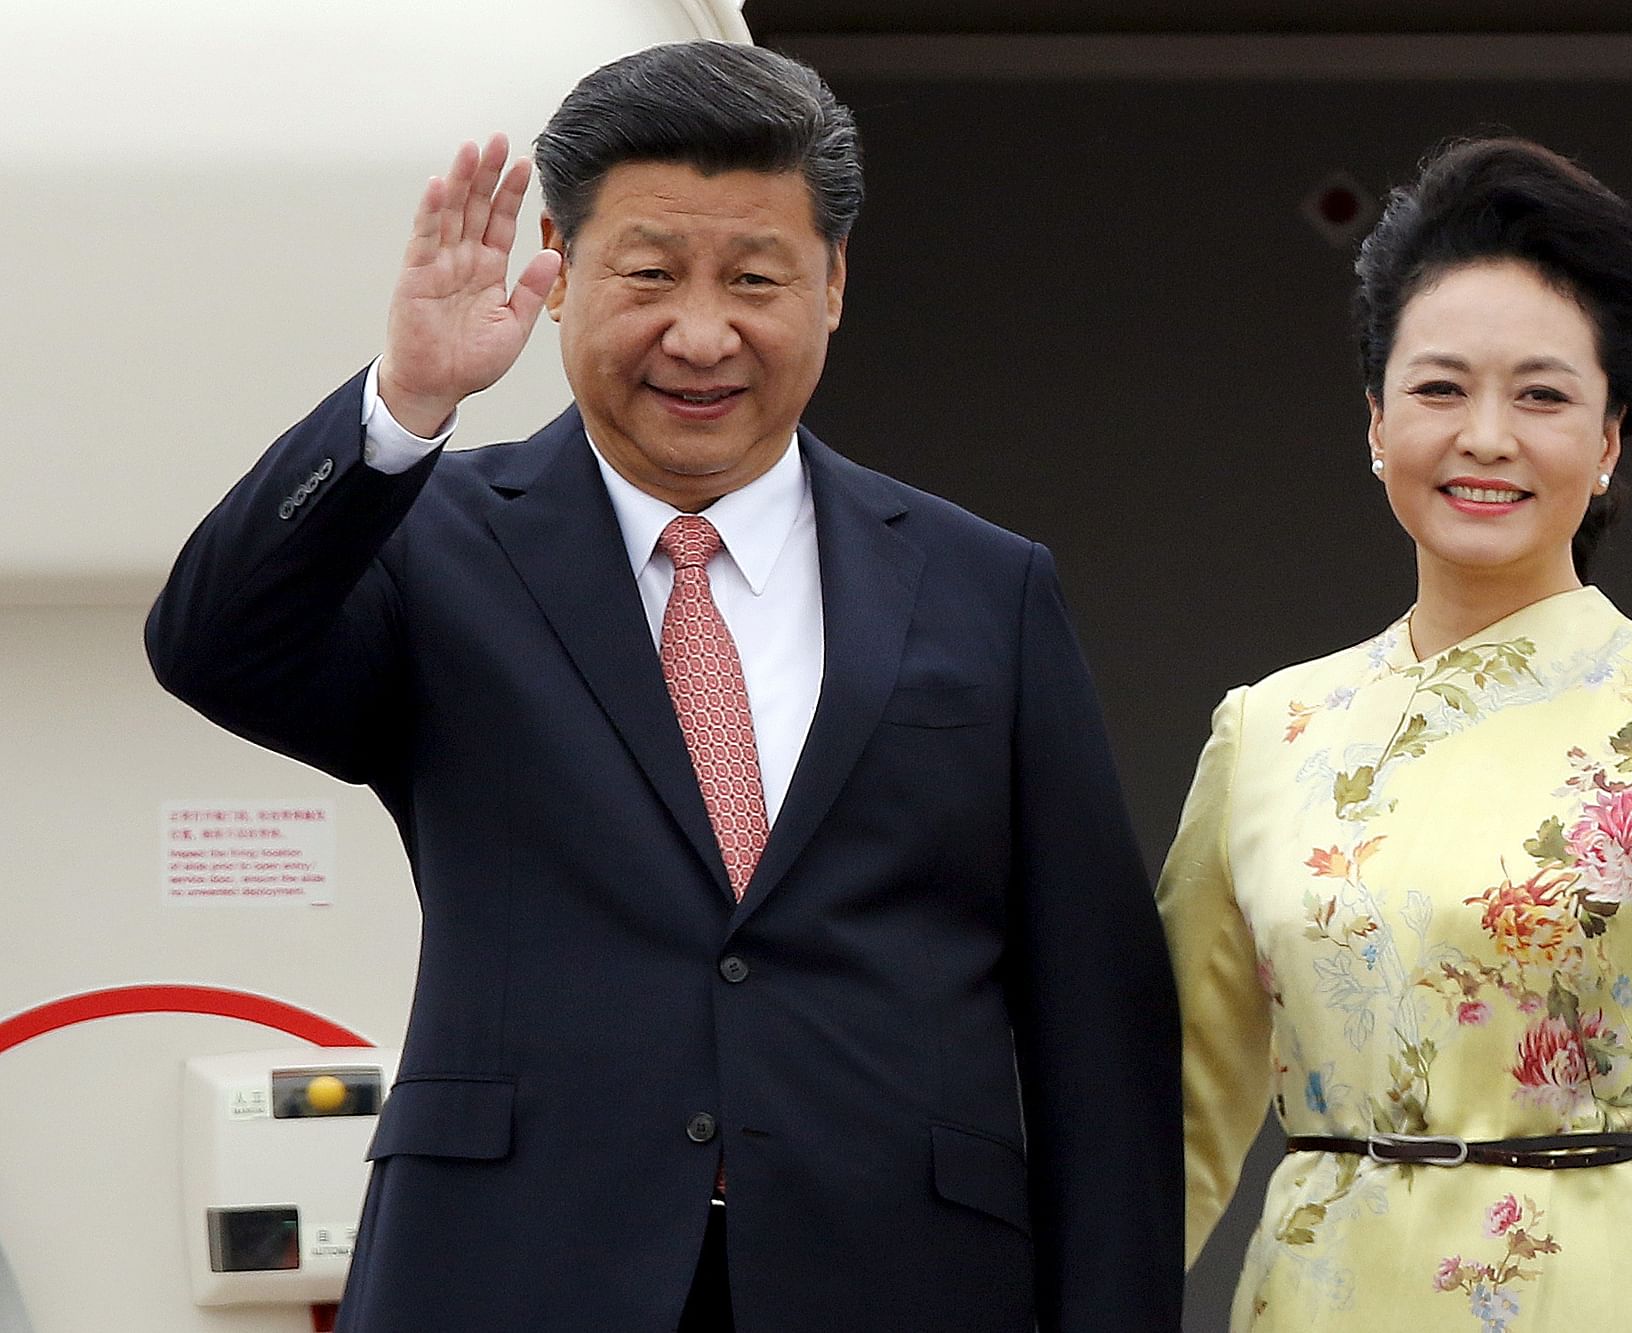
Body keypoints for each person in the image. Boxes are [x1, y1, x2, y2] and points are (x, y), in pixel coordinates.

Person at [147, 41, 1180, 1333]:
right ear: (563, 272)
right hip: (514, 1274)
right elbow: (208, 645)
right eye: (649, 275)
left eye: (755, 279)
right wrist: (404, 405)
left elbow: (1099, 1033)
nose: (702, 334)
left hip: (899, 1281)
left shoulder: (985, 586)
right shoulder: (440, 544)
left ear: (836, 284)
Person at [1158, 136, 1632, 1331]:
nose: (1487, 436)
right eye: (1440, 387)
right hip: (1318, 1295)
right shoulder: (1270, 728)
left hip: (1595, 1291)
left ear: (1608, 442)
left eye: (1543, 394)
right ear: (1373, 419)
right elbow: (1184, 1104)